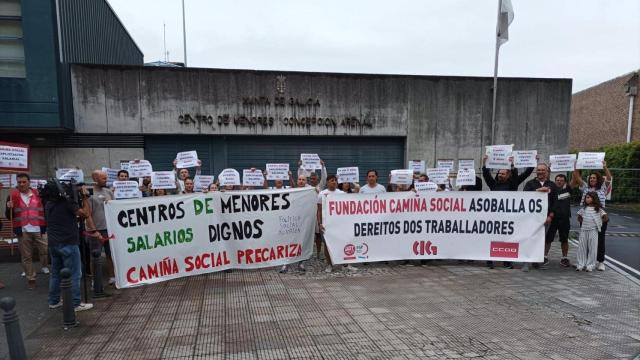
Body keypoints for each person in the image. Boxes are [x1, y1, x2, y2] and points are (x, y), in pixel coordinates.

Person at [44, 181, 94, 311]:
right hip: (68, 243)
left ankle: (53, 300)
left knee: (56, 274)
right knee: (75, 273)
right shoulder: (67, 203)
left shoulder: (49, 203)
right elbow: (85, 214)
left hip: (53, 243)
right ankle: (75, 303)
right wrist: (84, 197)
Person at [482, 155, 534, 269]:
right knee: (492, 238)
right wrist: (485, 164)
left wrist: (532, 161)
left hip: (508, 218)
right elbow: (486, 175)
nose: (500, 175)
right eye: (499, 173)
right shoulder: (493, 184)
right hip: (495, 218)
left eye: (503, 173)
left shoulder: (513, 184)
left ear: (508, 175)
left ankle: (507, 261)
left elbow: (526, 174)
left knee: (508, 240)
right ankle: (490, 260)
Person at [5, 173, 49, 289]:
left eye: (24, 182)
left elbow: (46, 210)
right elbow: (9, 216)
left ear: (29, 182)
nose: (22, 184)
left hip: (39, 227)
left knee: (45, 249)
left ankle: (44, 265)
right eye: (19, 182)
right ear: (17, 183)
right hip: (22, 229)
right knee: (26, 256)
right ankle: (31, 279)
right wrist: (9, 208)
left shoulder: (38, 193)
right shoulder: (12, 195)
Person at [571, 162, 612, 271]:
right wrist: (575, 166)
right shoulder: (585, 187)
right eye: (590, 178)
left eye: (594, 178)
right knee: (586, 240)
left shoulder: (602, 188)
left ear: (598, 179)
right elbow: (576, 177)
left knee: (600, 239)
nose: (592, 179)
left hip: (599, 216)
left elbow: (608, 178)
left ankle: (601, 262)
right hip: (586, 216)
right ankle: (584, 262)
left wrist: (605, 167)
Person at [318, 175, 357, 273]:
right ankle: (329, 265)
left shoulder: (342, 193)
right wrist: (320, 223)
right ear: (327, 182)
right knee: (327, 245)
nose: (334, 182)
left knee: (343, 243)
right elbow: (318, 210)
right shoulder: (322, 194)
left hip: (340, 224)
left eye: (335, 180)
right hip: (327, 225)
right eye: (332, 180)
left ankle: (345, 264)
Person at [521, 163, 556, 271]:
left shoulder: (552, 185)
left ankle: (536, 262)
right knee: (529, 239)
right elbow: (524, 197)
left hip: (546, 218)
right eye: (538, 170)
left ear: (547, 172)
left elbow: (555, 202)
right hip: (531, 218)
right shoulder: (530, 183)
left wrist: (550, 216)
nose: (540, 172)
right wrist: (537, 191)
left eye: (542, 170)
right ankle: (526, 262)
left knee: (541, 240)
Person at [85, 170, 115, 285]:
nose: (106, 180)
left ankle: (112, 277)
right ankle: (95, 280)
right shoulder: (89, 194)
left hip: (110, 229)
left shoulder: (109, 192)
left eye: (106, 178)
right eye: (103, 178)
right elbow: (88, 214)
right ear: (95, 179)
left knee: (110, 254)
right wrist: (93, 230)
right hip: (97, 230)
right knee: (95, 256)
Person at [576, 192, 608, 272]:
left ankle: (590, 265)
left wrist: (599, 223)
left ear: (594, 198)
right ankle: (580, 264)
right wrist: (583, 222)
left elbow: (606, 218)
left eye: (588, 197)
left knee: (592, 248)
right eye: (586, 197)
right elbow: (579, 217)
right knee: (582, 247)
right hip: (584, 230)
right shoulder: (583, 209)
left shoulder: (599, 210)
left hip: (593, 231)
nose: (587, 199)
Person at [545, 174, 572, 267]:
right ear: (555, 181)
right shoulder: (551, 190)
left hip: (564, 219)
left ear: (564, 182)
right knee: (548, 239)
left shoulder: (568, 189)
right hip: (553, 219)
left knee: (564, 239)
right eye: (557, 180)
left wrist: (575, 167)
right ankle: (544, 257)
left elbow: (575, 179)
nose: (559, 181)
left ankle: (564, 258)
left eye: (561, 180)